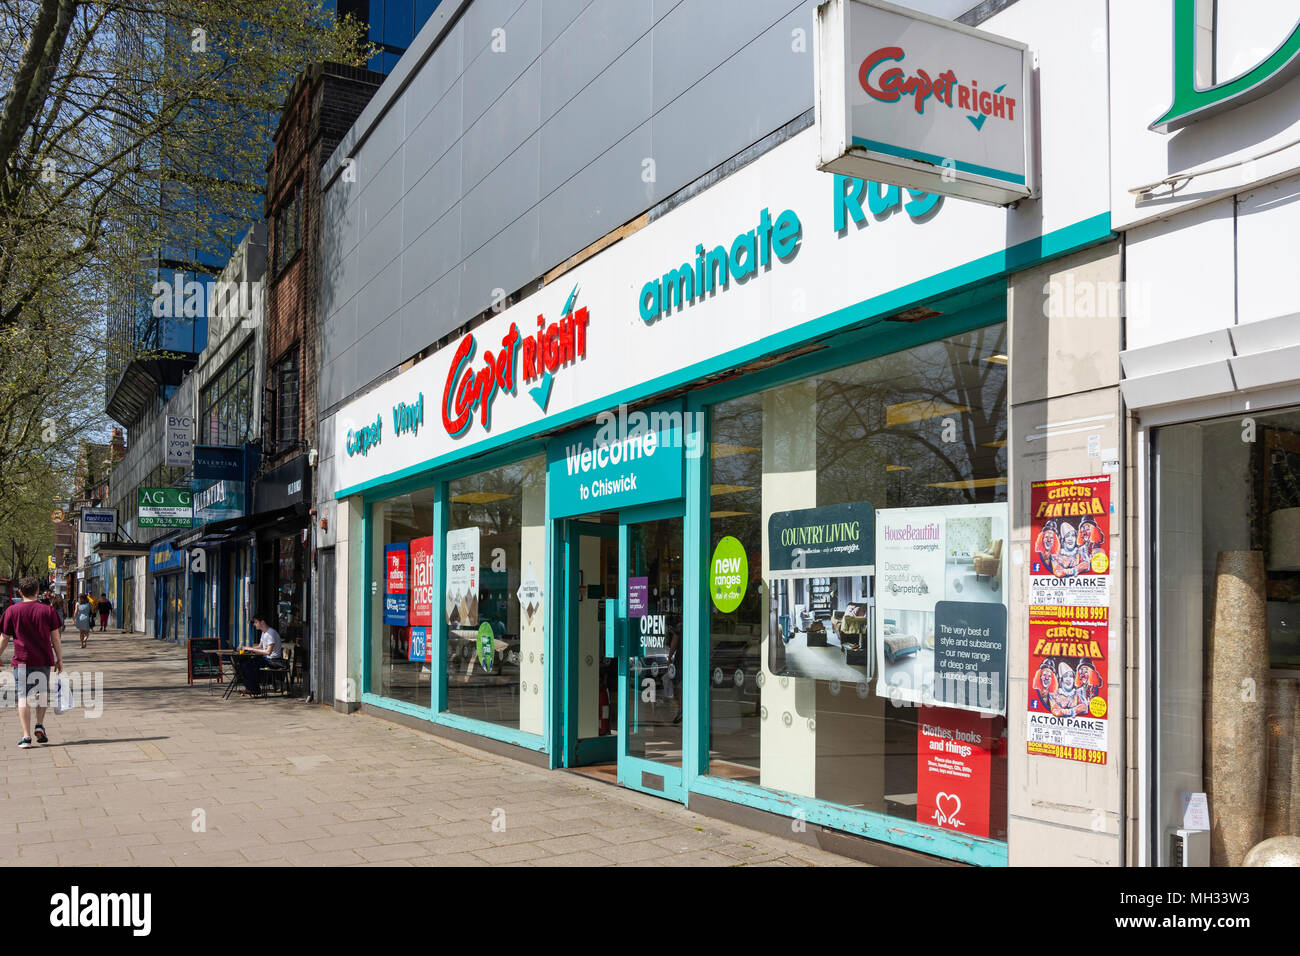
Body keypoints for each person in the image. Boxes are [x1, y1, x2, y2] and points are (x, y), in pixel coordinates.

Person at [0, 577, 64, 749]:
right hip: (43, 660)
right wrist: (59, 659)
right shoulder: (47, 611)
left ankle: (26, 736)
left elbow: (4, 638)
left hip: (21, 660)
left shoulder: (11, 611)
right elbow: (56, 639)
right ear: (37, 591)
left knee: (23, 697)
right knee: (42, 693)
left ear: (20, 592)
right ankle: (40, 724)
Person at [235, 613, 284, 696]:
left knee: (247, 665)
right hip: (267, 659)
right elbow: (260, 646)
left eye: (256, 622)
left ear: (262, 622)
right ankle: (251, 688)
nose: (254, 624)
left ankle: (254, 689)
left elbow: (268, 652)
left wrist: (251, 649)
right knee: (243, 662)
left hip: (273, 661)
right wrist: (246, 648)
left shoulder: (270, 633)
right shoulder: (264, 633)